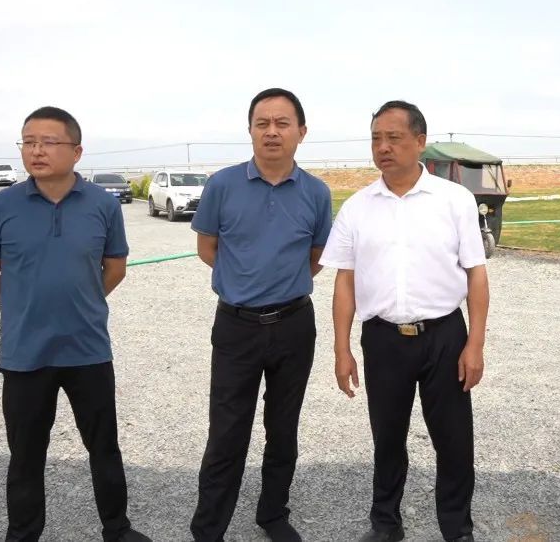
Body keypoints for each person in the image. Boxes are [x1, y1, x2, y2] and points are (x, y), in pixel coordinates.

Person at [0, 106, 150, 542]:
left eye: (49, 142)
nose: (36, 151)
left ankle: (117, 528)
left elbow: (115, 268)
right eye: (29, 142)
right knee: (26, 455)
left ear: (76, 151)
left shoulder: (103, 205)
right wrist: (25, 305)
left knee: (103, 447)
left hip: (88, 349)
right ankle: (23, 533)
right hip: (25, 352)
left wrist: (81, 302)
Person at [319, 100, 488, 542]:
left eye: (394, 137)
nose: (383, 147)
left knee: (454, 440)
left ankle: (457, 529)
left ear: (420, 141)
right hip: (384, 339)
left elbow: (476, 274)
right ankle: (385, 524)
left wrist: (475, 344)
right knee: (388, 439)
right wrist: (341, 348)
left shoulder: (454, 200)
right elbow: (344, 281)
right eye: (376, 138)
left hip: (444, 337)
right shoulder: (358, 207)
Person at [189, 88, 332, 542]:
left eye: (282, 123)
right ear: (250, 130)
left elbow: (316, 257)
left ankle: (273, 514)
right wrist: (246, 282)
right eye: (262, 123)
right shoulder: (222, 185)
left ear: (301, 132)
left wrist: (280, 284)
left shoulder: (316, 192)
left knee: (283, 428)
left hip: (294, 325)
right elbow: (207, 248)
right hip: (236, 326)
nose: (272, 132)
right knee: (227, 432)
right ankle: (209, 528)